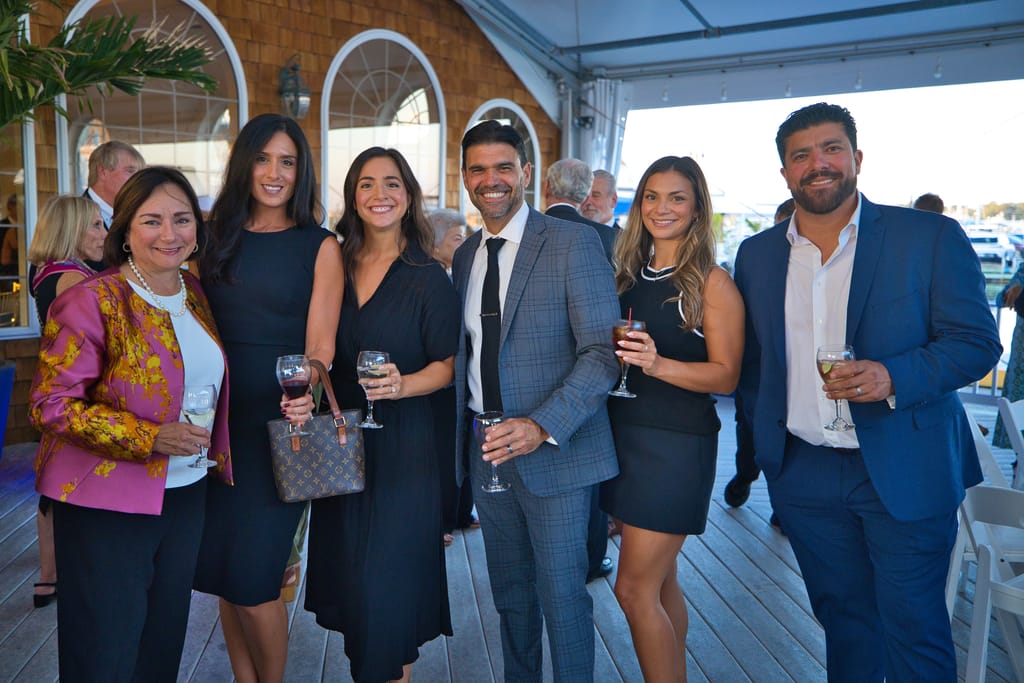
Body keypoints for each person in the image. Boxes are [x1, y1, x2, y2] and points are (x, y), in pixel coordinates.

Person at [733, 102, 1001, 680]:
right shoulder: (756, 255)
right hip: (802, 473)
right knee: (845, 625)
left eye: (831, 149)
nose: (818, 164)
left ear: (856, 157)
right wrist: (767, 453)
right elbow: (755, 366)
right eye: (800, 155)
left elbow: (977, 343)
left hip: (905, 466)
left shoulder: (928, 237)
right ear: (784, 172)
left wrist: (893, 376)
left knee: (915, 630)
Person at [29, 166, 232, 682]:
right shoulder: (91, 299)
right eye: (152, 220)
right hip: (104, 503)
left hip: (185, 493)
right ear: (124, 230)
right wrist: (149, 436)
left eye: (182, 219)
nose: (170, 233)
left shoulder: (193, 291)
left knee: (161, 646)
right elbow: (51, 404)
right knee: (105, 652)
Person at [452, 120, 620, 681]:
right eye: (478, 169)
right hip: (487, 452)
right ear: (465, 178)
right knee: (511, 598)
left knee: (563, 599)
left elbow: (602, 353)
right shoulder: (465, 256)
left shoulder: (573, 242)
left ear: (526, 172)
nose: (491, 180)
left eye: (504, 167)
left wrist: (541, 426)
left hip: (556, 453)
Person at [194, 113, 344, 683]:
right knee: (224, 578)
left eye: (287, 161)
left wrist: (306, 391)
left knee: (257, 583)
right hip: (211, 426)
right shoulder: (211, 237)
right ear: (244, 164)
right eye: (263, 159)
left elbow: (320, 347)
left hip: (280, 429)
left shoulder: (319, 245)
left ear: (301, 171)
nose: (274, 173)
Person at [305, 147, 459, 683]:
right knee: (355, 591)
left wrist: (402, 385)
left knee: (385, 596)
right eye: (367, 184)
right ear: (353, 197)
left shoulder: (428, 275)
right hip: (342, 442)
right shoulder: (333, 265)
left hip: (404, 448)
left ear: (409, 196)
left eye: (392, 183)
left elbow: (447, 366)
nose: (380, 194)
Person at [601, 155, 743, 681]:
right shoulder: (624, 277)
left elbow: (726, 376)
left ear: (698, 208)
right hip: (624, 440)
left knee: (633, 589)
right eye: (652, 196)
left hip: (676, 449)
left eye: (677, 197)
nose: (662, 208)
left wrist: (658, 364)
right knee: (661, 584)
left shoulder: (712, 283)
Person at [25, 195, 105, 608]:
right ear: (73, 229)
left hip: (55, 386)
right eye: (95, 225)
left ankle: (49, 575)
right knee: (75, 484)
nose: (104, 234)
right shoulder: (76, 278)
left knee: (53, 482)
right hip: (79, 391)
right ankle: (73, 575)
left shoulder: (46, 271)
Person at [542, 157, 616, 581]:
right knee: (590, 475)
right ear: (587, 194)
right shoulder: (608, 239)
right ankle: (591, 557)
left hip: (538, 378)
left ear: (546, 188)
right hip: (598, 374)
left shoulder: (531, 233)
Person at [723, 197, 794, 530]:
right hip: (756, 365)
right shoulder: (754, 253)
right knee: (750, 429)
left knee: (790, 441)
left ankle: (782, 505)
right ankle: (745, 474)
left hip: (795, 369)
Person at [427, 207, 477, 545]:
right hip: (438, 379)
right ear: (435, 243)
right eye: (457, 238)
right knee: (445, 450)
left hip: (458, 377)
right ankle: (443, 521)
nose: (463, 244)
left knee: (459, 447)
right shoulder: (432, 276)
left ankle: (458, 514)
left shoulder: (451, 273)